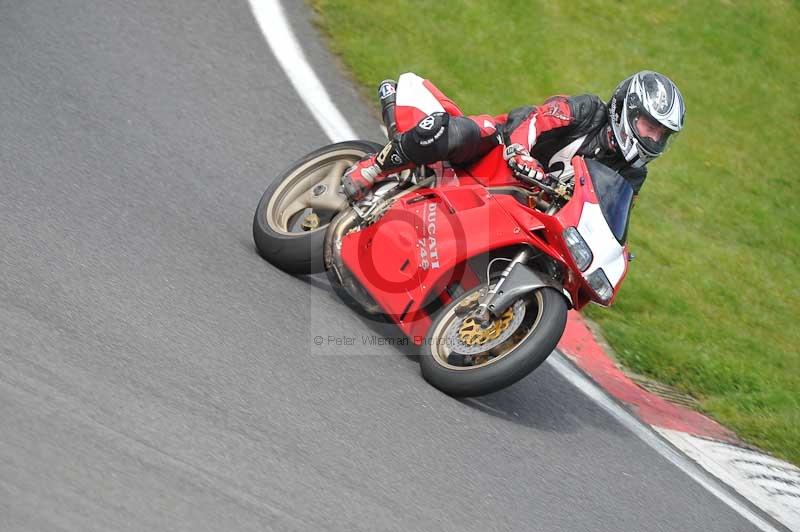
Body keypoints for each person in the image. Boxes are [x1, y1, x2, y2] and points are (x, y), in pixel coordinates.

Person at [341, 71, 685, 202]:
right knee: (451, 133)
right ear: (627, 108)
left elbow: (614, 210)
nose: (652, 137)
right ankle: (371, 168)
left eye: (660, 133)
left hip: (530, 201)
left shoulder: (634, 174)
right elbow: (536, 120)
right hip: (499, 147)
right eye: (648, 125)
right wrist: (520, 152)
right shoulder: (588, 110)